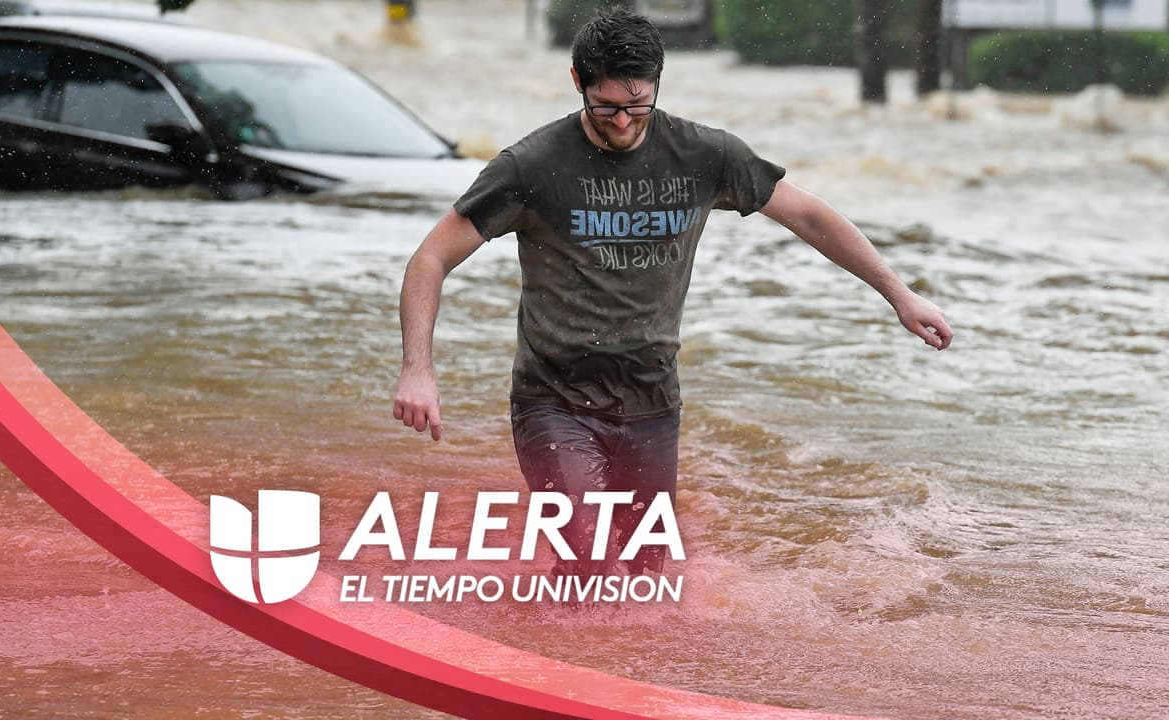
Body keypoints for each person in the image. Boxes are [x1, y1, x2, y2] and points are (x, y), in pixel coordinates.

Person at [393, 7, 952, 579]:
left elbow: (808, 215)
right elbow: (430, 258)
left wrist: (899, 294)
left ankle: (579, 655)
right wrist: (418, 369)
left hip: (652, 400)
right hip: (555, 401)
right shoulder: (531, 167)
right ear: (577, 82)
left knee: (646, 579)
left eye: (638, 106)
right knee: (589, 557)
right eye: (605, 105)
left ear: (658, 84)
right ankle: (540, 662)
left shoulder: (703, 155)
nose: (621, 122)